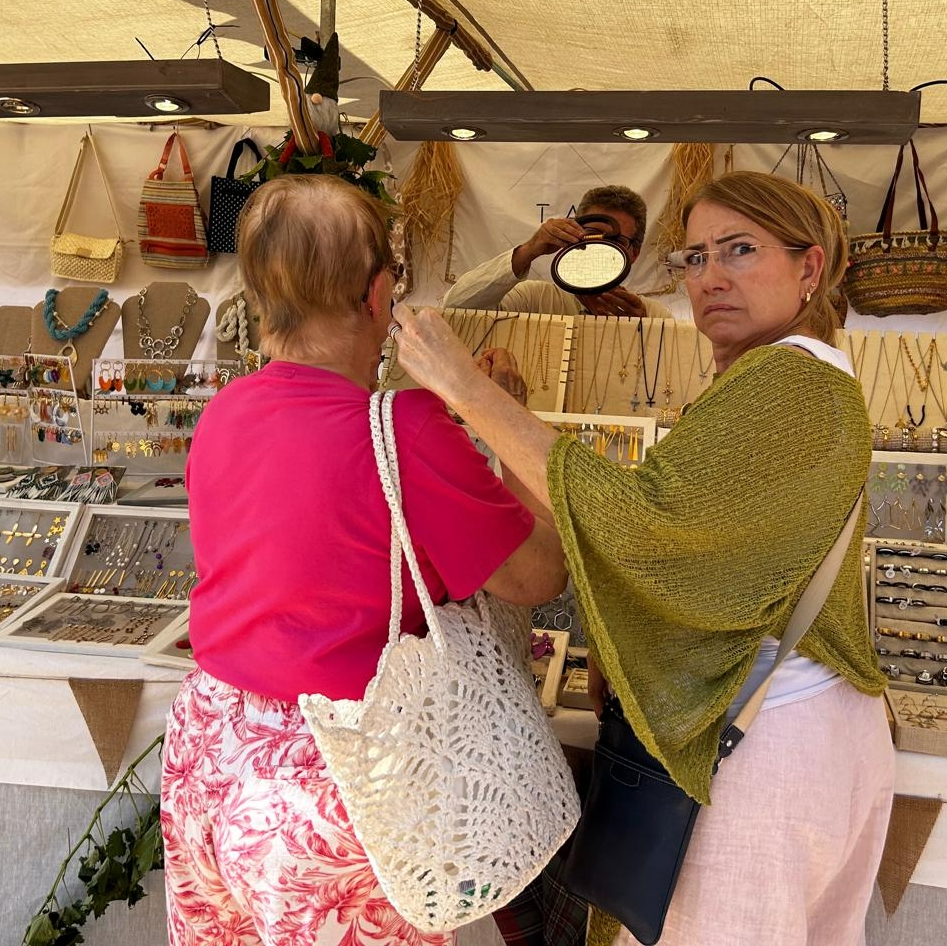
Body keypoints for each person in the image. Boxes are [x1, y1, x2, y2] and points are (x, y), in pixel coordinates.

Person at [394, 170, 892, 946]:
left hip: (761, 746)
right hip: (798, 735)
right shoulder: (789, 379)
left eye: (740, 250)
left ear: (811, 267)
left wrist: (467, 392)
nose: (711, 277)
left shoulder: (791, 377)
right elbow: (706, 552)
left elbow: (649, 528)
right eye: (696, 257)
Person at [160, 173, 567, 946]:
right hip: (339, 779)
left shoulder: (224, 413)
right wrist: (504, 418)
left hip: (209, 753)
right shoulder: (404, 428)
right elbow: (538, 573)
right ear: (379, 294)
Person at [444, 184, 673, 319]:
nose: (600, 249)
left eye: (615, 240)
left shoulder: (653, 315)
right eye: (592, 235)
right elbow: (455, 307)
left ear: (634, 253)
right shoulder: (534, 300)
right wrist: (529, 250)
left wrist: (644, 333)